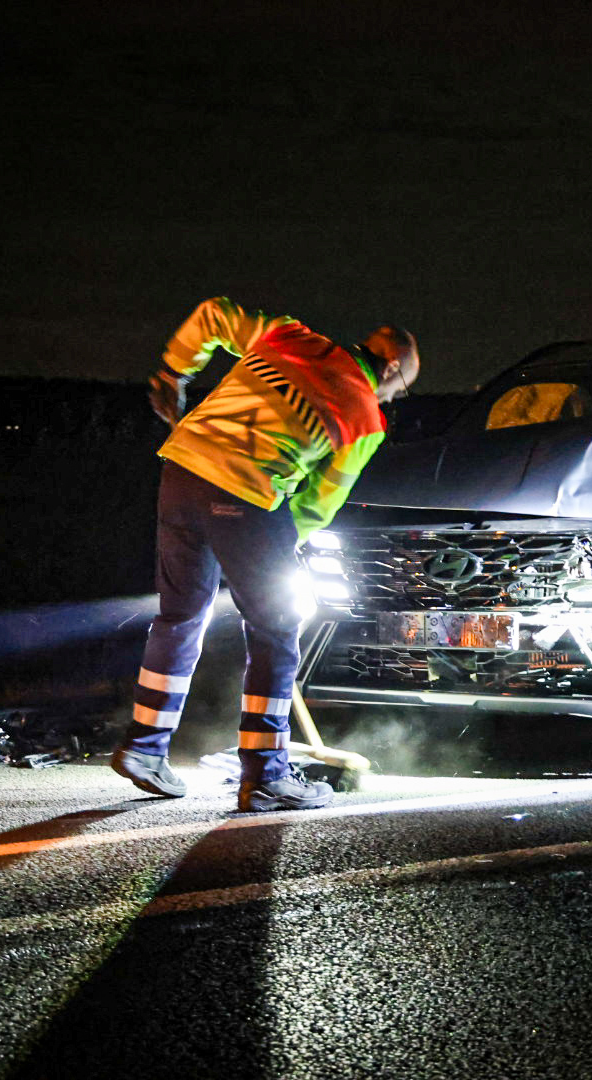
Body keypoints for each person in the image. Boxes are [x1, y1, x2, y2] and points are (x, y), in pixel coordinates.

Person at [114, 297, 418, 812]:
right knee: (279, 626)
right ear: (389, 367)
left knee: (181, 615)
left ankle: (144, 747)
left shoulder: (288, 336)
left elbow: (212, 315)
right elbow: (319, 504)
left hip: (182, 470)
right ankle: (267, 774)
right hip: (248, 493)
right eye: (401, 387)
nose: (392, 397)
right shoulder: (365, 417)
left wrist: (173, 371)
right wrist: (272, 549)